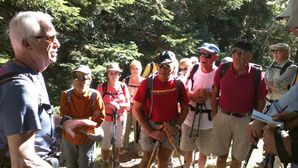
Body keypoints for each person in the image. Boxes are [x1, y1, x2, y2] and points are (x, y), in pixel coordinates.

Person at [0, 11, 97, 168]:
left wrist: (64, 122)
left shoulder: (29, 72)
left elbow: (29, 118)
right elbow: (22, 161)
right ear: (27, 44)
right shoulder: (20, 88)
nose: (58, 43)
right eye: (50, 38)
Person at [248, 0, 298, 166]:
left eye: (291, 21)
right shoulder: (272, 66)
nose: (291, 29)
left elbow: (292, 94)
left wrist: (265, 118)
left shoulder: (291, 67)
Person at [211, 40, 267, 168]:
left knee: (237, 159)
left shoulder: (257, 74)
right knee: (221, 157)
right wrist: (214, 114)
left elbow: (261, 100)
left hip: (244, 120)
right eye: (234, 52)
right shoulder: (223, 69)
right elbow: (214, 92)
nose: (237, 55)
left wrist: (255, 121)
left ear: (249, 56)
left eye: (241, 53)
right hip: (223, 116)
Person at [132, 50, 189, 168]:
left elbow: (185, 108)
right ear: (157, 66)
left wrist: (176, 127)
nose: (164, 68)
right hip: (150, 125)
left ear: (174, 66)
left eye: (167, 65)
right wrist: (151, 131)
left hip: (171, 126)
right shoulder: (147, 83)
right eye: (161, 65)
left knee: (163, 159)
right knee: (148, 159)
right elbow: (135, 109)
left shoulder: (178, 84)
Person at [180, 43, 219, 168]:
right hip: (189, 118)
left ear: (215, 57)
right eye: (201, 54)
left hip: (208, 121)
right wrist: (193, 95)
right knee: (187, 150)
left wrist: (209, 94)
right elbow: (185, 89)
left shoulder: (219, 73)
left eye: (207, 55)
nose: (203, 57)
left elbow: (224, 97)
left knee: (204, 152)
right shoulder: (194, 68)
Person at [59, 65, 105, 168]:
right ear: (73, 79)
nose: (81, 81)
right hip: (69, 137)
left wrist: (76, 121)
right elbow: (66, 120)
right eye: (77, 77)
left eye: (84, 77)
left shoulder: (95, 96)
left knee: (86, 164)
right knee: (70, 165)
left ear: (90, 80)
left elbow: (99, 120)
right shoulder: (66, 95)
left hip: (87, 138)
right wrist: (88, 120)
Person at [263, 42, 297, 167]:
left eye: (279, 51)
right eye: (274, 51)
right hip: (269, 106)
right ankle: (267, 162)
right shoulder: (272, 66)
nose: (275, 53)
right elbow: (266, 81)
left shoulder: (292, 67)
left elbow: (279, 84)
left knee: (280, 140)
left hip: (283, 110)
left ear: (287, 53)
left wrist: (268, 83)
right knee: (267, 137)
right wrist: (269, 84)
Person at [96, 62, 130, 167]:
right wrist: (108, 104)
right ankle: (105, 161)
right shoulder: (102, 87)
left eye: (116, 73)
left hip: (120, 119)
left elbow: (128, 104)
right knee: (105, 143)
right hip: (106, 120)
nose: (114, 75)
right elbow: (96, 105)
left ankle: (116, 160)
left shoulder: (123, 87)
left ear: (119, 75)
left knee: (118, 142)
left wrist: (118, 105)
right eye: (111, 73)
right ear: (108, 74)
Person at [121, 60, 145, 155]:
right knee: (125, 128)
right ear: (130, 70)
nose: (135, 71)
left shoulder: (143, 82)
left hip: (138, 108)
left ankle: (139, 149)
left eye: (137, 69)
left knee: (137, 129)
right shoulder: (125, 81)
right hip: (126, 108)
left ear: (141, 70)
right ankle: (124, 147)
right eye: (133, 69)